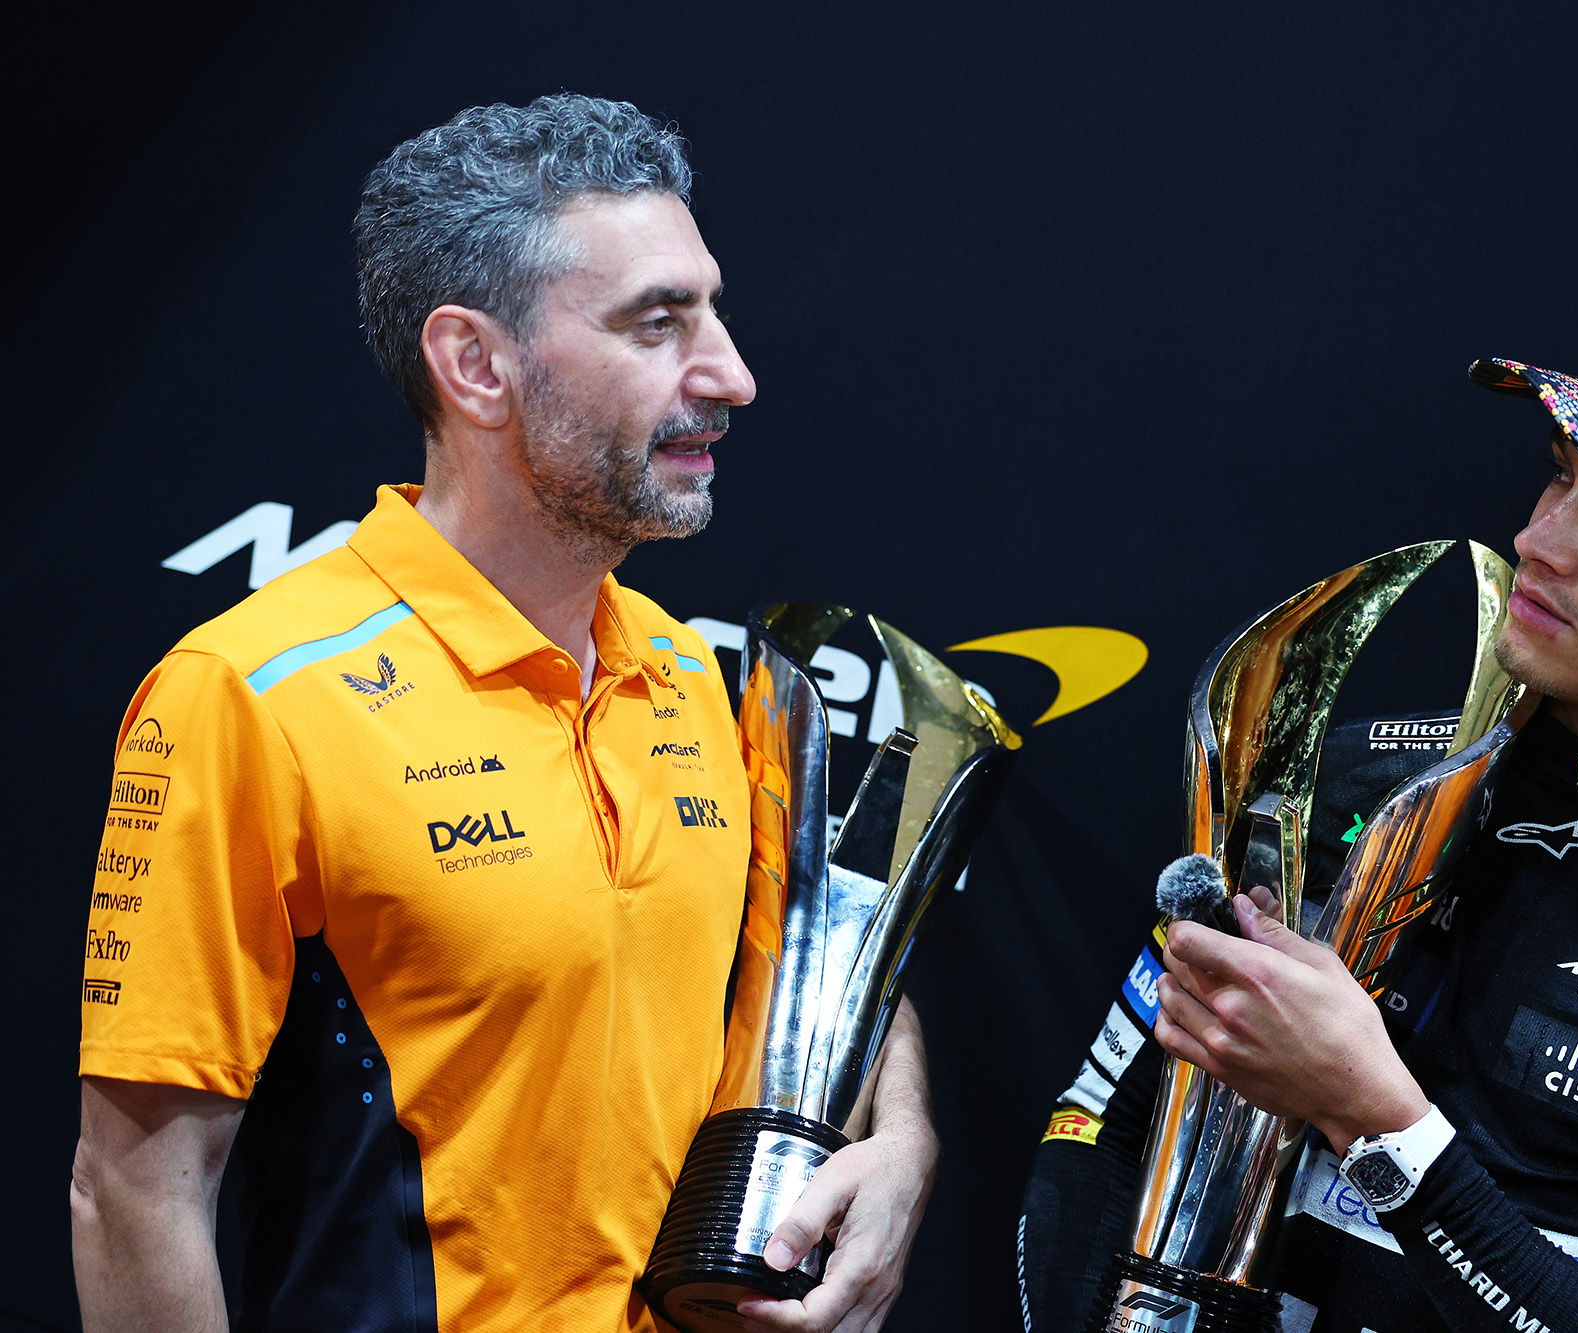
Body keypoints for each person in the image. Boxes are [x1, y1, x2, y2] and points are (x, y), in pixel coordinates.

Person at [71, 94, 936, 1333]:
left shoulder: (692, 675)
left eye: (710, 310)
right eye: (657, 323)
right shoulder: (253, 696)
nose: (731, 375)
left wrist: (899, 1139)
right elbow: (135, 1192)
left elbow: (817, 957)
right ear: (476, 364)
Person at [1020, 271, 1578, 1333]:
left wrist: (1377, 1121)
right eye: (1561, 475)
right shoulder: (1341, 783)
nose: (1541, 541)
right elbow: (1093, 1131)